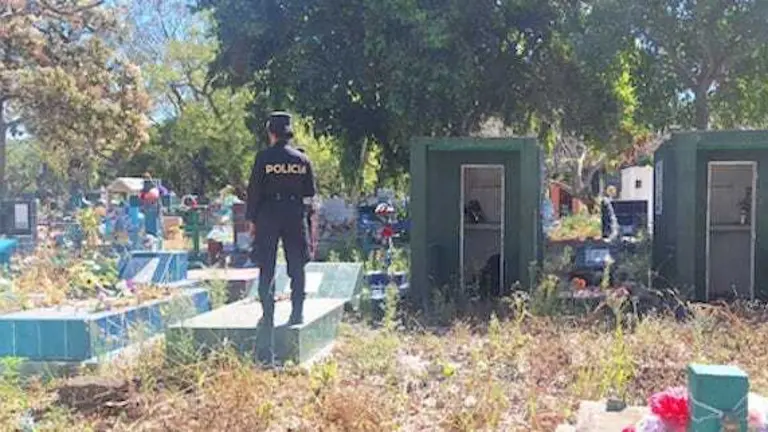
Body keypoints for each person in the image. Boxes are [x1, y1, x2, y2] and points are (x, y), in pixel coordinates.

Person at [246, 111, 316, 364]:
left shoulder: (263, 158)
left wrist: (252, 220)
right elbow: (310, 193)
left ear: (271, 132)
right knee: (297, 264)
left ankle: (268, 315)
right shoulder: (302, 159)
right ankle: (297, 313)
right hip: (294, 213)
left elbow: (253, 191)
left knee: (267, 266)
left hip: (268, 214)